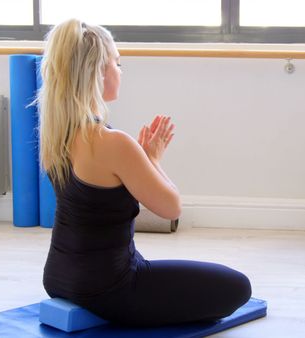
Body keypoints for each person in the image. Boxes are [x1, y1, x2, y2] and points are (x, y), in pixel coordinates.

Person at [38, 19, 251, 327]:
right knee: (237, 287)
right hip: (110, 288)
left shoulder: (56, 136)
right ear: (99, 71)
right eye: (117, 63)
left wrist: (144, 159)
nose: (121, 71)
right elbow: (170, 207)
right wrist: (152, 158)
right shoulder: (112, 143)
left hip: (58, 277)